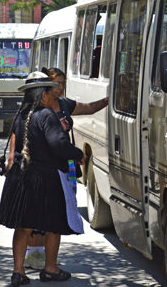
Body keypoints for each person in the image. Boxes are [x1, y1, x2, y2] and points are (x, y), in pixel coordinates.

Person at [0, 72, 85, 286]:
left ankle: (18, 272)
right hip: (45, 179)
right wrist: (77, 154)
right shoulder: (46, 116)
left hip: (21, 177)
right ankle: (50, 269)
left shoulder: (21, 115)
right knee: (54, 225)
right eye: (48, 90)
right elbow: (58, 145)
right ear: (43, 95)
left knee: (23, 226)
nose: (52, 94)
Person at [23, 67, 109, 270]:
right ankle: (34, 255)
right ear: (47, 86)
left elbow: (89, 108)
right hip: (43, 167)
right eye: (57, 84)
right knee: (40, 214)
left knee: (59, 210)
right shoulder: (37, 108)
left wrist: (108, 100)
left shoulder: (64, 104)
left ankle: (46, 257)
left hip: (66, 165)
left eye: (63, 84)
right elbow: (22, 135)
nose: (60, 88)